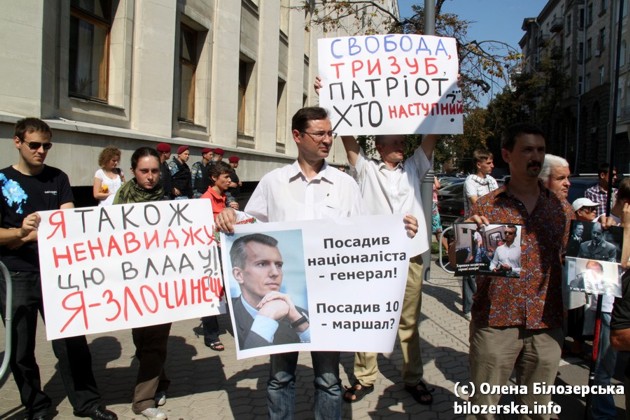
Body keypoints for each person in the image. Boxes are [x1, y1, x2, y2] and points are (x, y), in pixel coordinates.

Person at [215, 106, 418, 420]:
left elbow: (365, 235)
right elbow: (250, 226)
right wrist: (231, 215)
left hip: (331, 301)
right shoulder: (273, 183)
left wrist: (399, 230)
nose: (327, 140)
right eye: (319, 134)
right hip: (284, 298)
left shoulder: (345, 184)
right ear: (297, 136)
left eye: (330, 133)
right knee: (280, 377)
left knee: (328, 380)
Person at [315, 73, 438, 405]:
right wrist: (329, 97)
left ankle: (413, 377)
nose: (401, 146)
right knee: (368, 316)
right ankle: (365, 376)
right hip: (374, 257)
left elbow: (432, 134)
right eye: (394, 142)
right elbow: (347, 136)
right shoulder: (365, 169)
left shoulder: (414, 167)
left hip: (410, 255)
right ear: (379, 147)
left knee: (409, 321)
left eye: (402, 142)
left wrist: (446, 95)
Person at [0, 118, 117, 420]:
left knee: (72, 342)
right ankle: (36, 406)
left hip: (57, 272)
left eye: (46, 146)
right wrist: (18, 233)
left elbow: (68, 221)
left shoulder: (58, 178)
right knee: (21, 347)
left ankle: (87, 402)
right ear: (17, 142)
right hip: (16, 274)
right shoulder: (1, 181)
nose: (41, 151)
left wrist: (34, 234)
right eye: (34, 145)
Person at [467, 122, 573, 417]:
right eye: (527, 149)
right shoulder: (487, 207)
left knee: (538, 410)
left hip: (545, 322)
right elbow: (459, 259)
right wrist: (465, 236)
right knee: (483, 409)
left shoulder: (561, 210)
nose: (535, 156)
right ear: (507, 154)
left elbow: (568, 258)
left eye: (540, 150)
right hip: (495, 323)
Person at [113, 147, 170, 420]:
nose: (150, 177)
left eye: (155, 171)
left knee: (156, 340)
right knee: (142, 339)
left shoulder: (168, 200)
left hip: (163, 280)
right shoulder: (122, 198)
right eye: (144, 171)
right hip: (133, 281)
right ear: (133, 171)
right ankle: (161, 380)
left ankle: (143, 400)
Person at [229, 233, 310, 350]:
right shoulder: (228, 314)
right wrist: (266, 318)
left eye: (278, 265)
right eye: (262, 264)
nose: (275, 273)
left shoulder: (300, 315)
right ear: (239, 275)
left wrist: (299, 322)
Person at [198, 161, 235, 351]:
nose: (229, 180)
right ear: (214, 178)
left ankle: (240, 329)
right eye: (226, 177)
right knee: (213, 292)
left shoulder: (224, 198)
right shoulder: (205, 200)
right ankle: (211, 335)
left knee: (231, 289)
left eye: (230, 177)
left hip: (226, 249)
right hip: (212, 253)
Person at [462, 149, 499, 321]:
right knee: (469, 267)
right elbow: (476, 202)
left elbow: (498, 201)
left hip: (489, 226)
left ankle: (486, 303)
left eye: (492, 162)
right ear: (479, 164)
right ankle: (468, 307)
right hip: (470, 225)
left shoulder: (492, 181)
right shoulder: (470, 180)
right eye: (488, 163)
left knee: (489, 265)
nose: (492, 166)